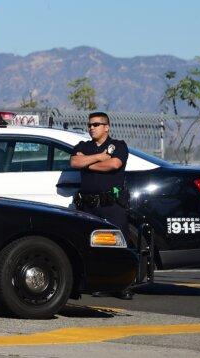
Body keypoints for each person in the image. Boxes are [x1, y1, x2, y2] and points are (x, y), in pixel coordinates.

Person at [70, 111, 133, 300]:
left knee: (120, 245)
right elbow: (74, 161)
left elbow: (113, 164)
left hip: (111, 205)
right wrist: (100, 156)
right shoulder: (83, 145)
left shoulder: (119, 145)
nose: (91, 128)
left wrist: (87, 163)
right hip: (88, 206)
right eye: (89, 125)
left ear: (106, 127)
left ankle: (123, 285)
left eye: (96, 124)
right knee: (89, 246)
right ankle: (96, 284)